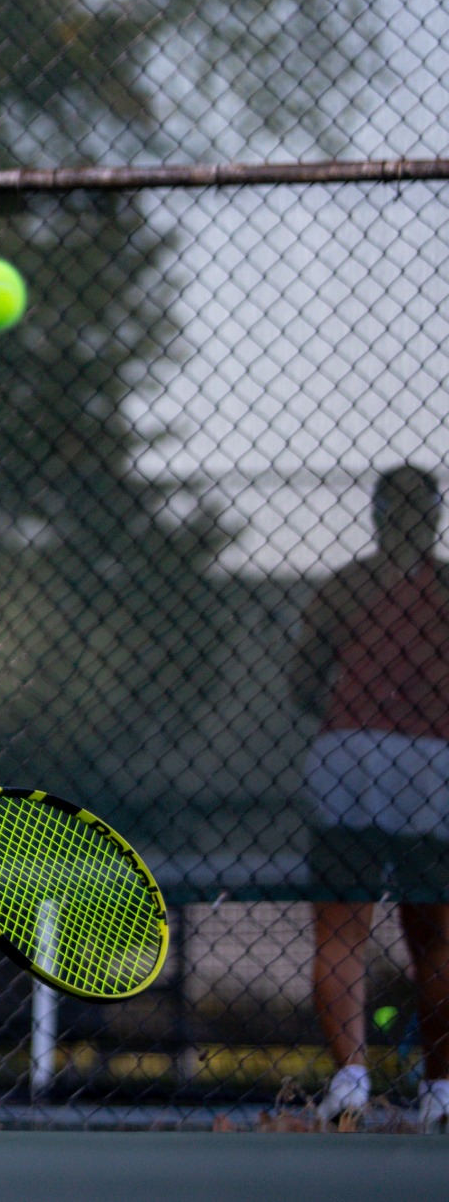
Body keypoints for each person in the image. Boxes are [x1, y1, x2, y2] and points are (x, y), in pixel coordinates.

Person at [289, 464, 449, 1128]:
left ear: (378, 516)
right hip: (433, 756)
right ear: (435, 517)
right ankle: (442, 1091)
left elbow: (303, 681)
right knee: (436, 934)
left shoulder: (344, 585)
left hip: (348, 749)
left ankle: (351, 1082)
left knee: (340, 928)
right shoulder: (446, 586)